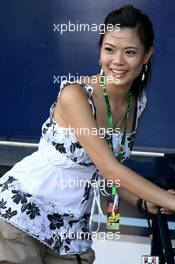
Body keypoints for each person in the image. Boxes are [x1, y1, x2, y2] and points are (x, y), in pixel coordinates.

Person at [0, 4, 174, 264]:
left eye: (130, 52)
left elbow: (102, 174)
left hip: (70, 228)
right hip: (20, 212)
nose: (118, 61)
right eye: (109, 50)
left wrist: (142, 201)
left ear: (146, 55)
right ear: (100, 51)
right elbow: (110, 167)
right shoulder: (76, 95)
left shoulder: (137, 102)